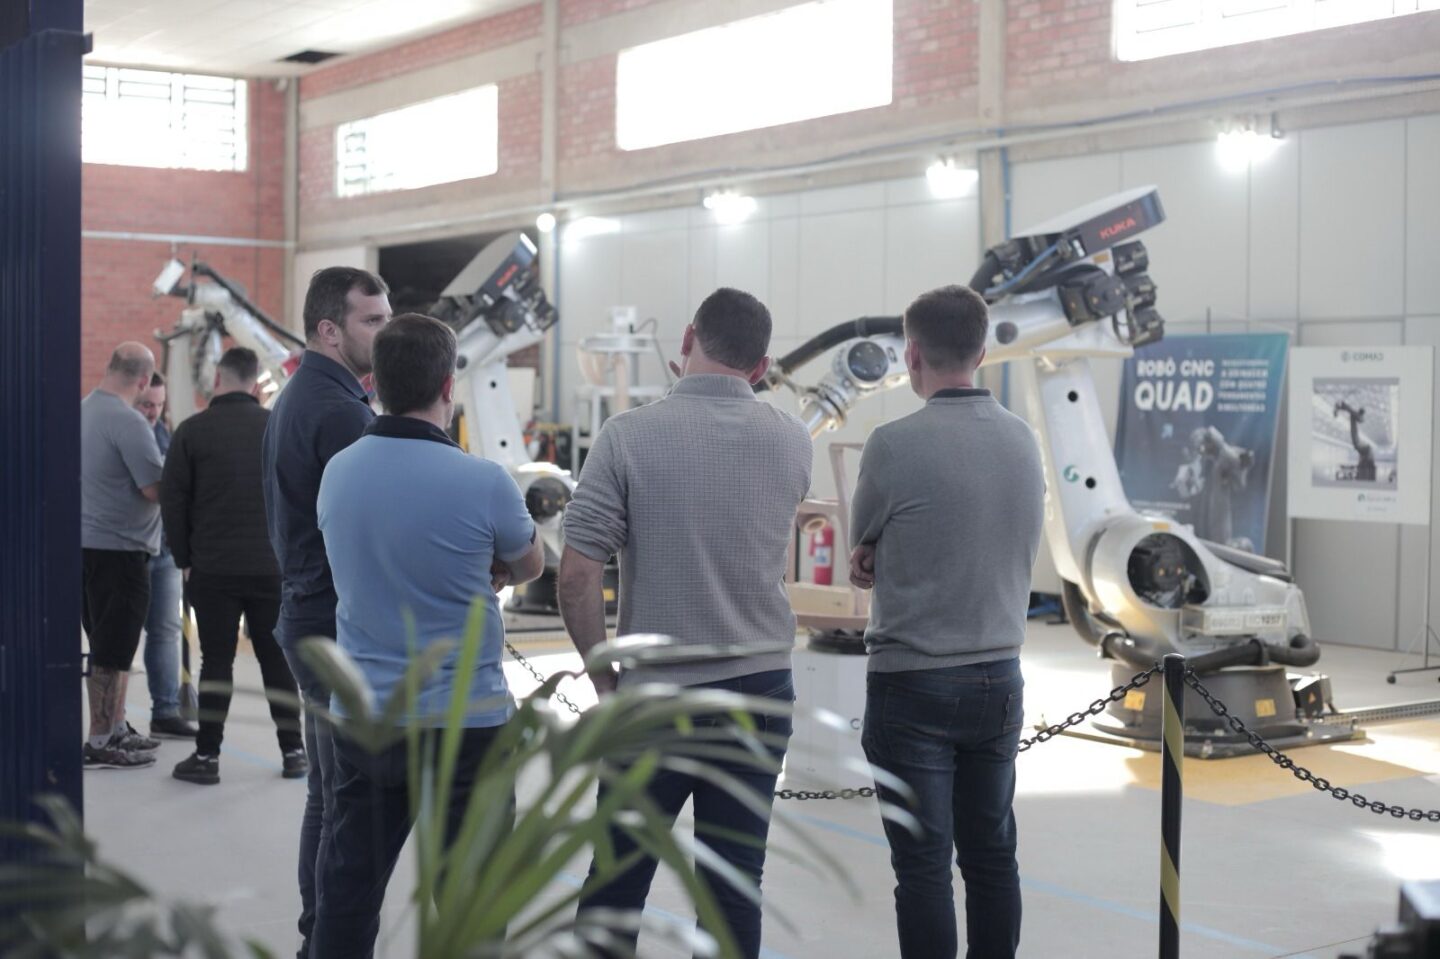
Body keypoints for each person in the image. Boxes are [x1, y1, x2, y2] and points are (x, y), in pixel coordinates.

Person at [558, 287, 812, 959]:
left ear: (686, 339)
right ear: (761, 366)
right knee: (732, 886)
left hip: (653, 697)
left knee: (616, 880)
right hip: (757, 692)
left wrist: (604, 680)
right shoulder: (793, 440)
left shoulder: (628, 436)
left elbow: (578, 575)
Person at [312, 314, 543, 958]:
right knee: (471, 904)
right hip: (467, 725)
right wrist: (482, 563)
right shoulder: (483, 481)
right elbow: (530, 565)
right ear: (450, 383)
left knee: (349, 891)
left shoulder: (339, 472)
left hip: (367, 720)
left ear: (376, 382)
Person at [848, 284, 1045, 959]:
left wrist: (876, 553)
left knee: (924, 866)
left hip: (914, 685)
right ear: (983, 352)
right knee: (992, 854)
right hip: (1000, 678)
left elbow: (862, 542)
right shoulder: (1023, 440)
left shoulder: (893, 444)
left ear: (911, 356)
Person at [262, 266, 390, 959]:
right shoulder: (340, 409)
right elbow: (371, 520)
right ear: (328, 329)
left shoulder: (304, 394)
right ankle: (329, 939)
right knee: (347, 800)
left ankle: (318, 930)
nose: (385, 329)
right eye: (372, 319)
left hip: (307, 612)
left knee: (327, 790)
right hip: (332, 624)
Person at [162, 348, 306, 785]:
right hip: (272, 568)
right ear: (256, 381)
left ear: (218, 379)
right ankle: (294, 752)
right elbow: (299, 496)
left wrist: (184, 560)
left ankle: (206, 758)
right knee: (276, 660)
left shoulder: (191, 431)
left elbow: (174, 502)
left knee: (216, 663)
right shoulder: (278, 429)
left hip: (213, 570)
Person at [80, 343, 167, 769]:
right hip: (121, 551)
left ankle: (113, 729)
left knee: (107, 643)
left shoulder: (83, 411)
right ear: (144, 381)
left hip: (88, 548)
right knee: (112, 650)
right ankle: (99, 741)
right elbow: (154, 488)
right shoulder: (128, 422)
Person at [135, 371, 197, 739]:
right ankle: (110, 724)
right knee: (121, 637)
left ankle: (166, 711)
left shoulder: (164, 433)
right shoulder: (125, 432)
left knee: (165, 631)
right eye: (146, 404)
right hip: (130, 549)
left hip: (164, 548)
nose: (153, 412)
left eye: (159, 405)